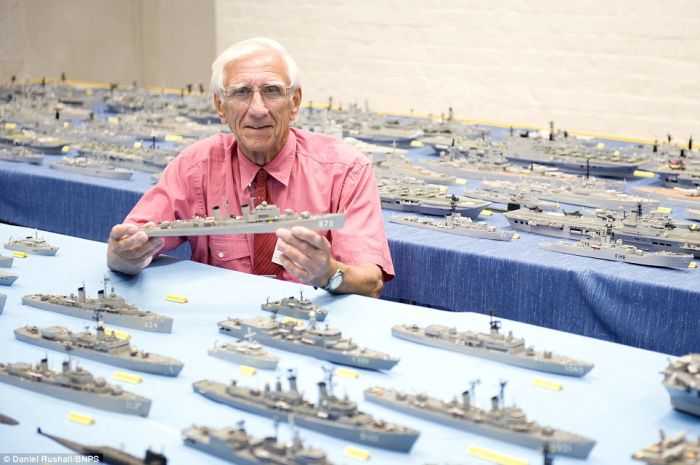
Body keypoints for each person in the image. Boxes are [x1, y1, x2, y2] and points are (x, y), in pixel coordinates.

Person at [107, 37, 394, 298]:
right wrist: (123, 257)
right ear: (221, 106)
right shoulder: (195, 167)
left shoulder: (347, 170)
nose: (257, 109)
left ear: (294, 102)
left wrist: (330, 274)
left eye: (272, 91)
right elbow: (128, 244)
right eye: (242, 92)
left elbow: (371, 283)